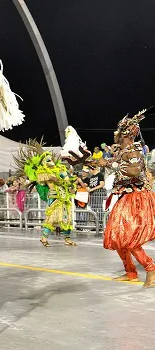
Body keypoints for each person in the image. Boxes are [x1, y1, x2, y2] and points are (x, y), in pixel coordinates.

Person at [95, 109, 155, 288]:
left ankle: (151, 269)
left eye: (118, 131)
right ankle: (131, 272)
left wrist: (109, 164)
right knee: (117, 235)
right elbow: (120, 168)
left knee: (128, 237)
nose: (115, 134)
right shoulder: (122, 151)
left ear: (126, 134)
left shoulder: (133, 150)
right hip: (125, 197)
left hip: (137, 198)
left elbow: (134, 172)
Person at [15, 141, 78, 247]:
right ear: (43, 162)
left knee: (67, 218)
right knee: (52, 218)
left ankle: (67, 239)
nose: (50, 161)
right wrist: (60, 181)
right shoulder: (43, 172)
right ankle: (44, 238)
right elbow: (51, 185)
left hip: (64, 196)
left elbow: (69, 181)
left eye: (50, 159)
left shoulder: (60, 169)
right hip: (54, 197)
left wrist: (71, 185)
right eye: (47, 159)